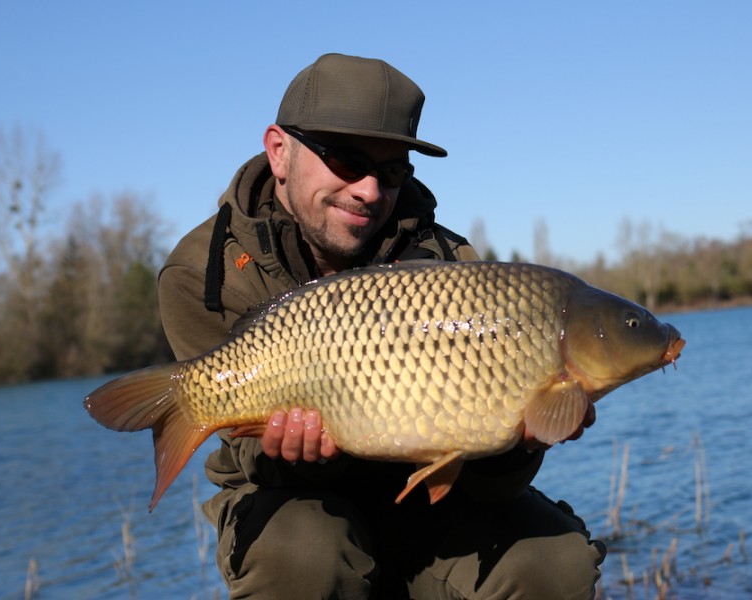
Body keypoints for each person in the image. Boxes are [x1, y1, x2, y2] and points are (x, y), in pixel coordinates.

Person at [158, 53, 606, 599]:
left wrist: (517, 442)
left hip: (433, 505)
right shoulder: (201, 273)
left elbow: (492, 488)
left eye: (392, 170)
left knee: (553, 561)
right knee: (303, 552)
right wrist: (298, 455)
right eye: (346, 160)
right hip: (289, 499)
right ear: (279, 151)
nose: (369, 190)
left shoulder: (449, 265)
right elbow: (246, 457)